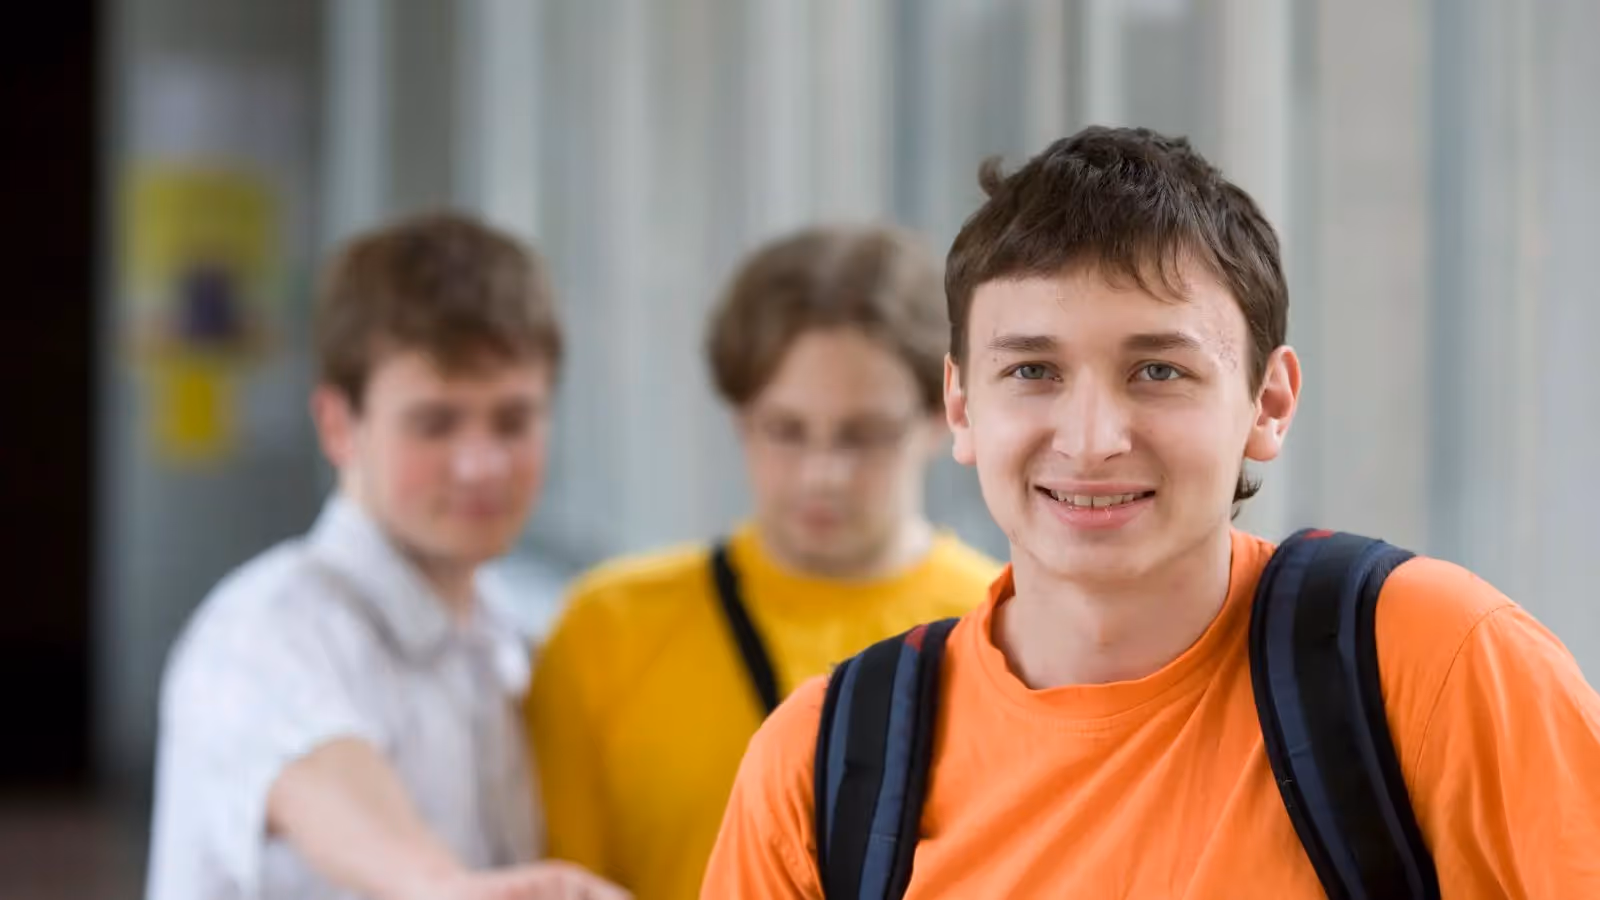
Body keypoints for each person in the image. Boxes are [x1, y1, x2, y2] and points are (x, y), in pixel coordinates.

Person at [701, 126, 1600, 898]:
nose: (1091, 439)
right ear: (962, 405)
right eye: (1032, 371)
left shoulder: (1434, 666)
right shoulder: (820, 766)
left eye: (1158, 371)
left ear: (1269, 403)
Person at [146, 212, 628, 900]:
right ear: (339, 425)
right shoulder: (259, 633)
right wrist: (446, 887)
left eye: (513, 419)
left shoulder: (519, 638)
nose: (482, 465)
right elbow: (325, 782)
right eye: (436, 422)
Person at [525, 224, 1003, 900]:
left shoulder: (1006, 630)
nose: (822, 475)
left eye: (862, 434)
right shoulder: (607, 631)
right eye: (786, 430)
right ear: (739, 418)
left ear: (942, 415)